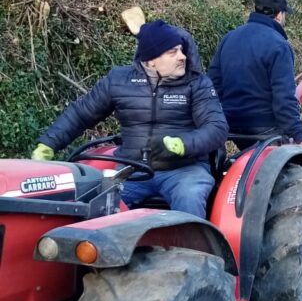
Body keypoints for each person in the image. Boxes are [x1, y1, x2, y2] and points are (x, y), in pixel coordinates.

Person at [31, 20, 228, 217]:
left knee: (190, 196)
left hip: (185, 170)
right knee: (96, 203)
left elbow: (216, 127)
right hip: (132, 170)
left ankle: (193, 247)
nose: (182, 56)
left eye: (181, 50)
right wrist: (48, 144)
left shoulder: (198, 84)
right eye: (173, 52)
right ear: (151, 60)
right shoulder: (119, 80)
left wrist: (183, 143)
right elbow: (81, 113)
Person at [209, 0, 302, 150]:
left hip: (228, 124)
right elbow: (284, 98)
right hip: (264, 128)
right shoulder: (279, 45)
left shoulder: (229, 38)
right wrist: (300, 135)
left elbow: (212, 86)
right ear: (279, 15)